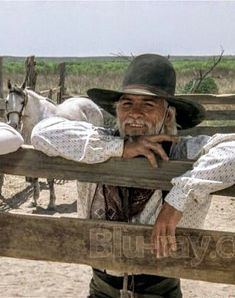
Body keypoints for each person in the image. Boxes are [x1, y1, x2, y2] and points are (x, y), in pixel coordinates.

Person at [31, 54, 235, 298]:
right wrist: (120, 149)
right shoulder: (101, 142)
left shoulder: (184, 151)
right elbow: (42, 132)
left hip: (160, 289)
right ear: (117, 110)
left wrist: (178, 198)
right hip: (102, 288)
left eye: (148, 105)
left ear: (168, 115)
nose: (135, 114)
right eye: (127, 104)